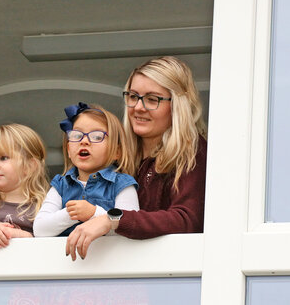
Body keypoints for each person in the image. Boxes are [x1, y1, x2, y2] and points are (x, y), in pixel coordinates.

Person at [66, 56, 208, 260]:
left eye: (152, 99)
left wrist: (112, 219)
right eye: (133, 96)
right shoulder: (115, 154)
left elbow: (186, 219)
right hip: (111, 271)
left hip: (168, 276)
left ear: (177, 105)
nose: (138, 107)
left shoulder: (191, 151)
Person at [33, 102, 139, 237]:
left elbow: (130, 227)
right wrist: (72, 214)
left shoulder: (122, 184)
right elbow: (40, 230)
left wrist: (93, 213)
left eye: (96, 136)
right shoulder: (61, 185)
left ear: (116, 152)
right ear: (68, 150)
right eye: (77, 136)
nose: (84, 141)